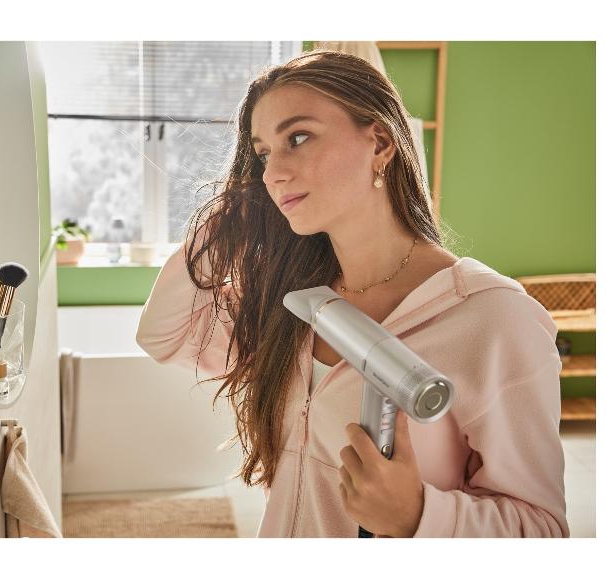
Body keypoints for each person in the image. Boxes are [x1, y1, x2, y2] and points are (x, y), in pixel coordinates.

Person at [136, 50, 568, 538]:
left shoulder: (493, 318)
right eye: (262, 154)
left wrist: (419, 516)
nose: (271, 174)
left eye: (297, 138)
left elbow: (542, 529)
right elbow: (161, 337)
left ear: (380, 142)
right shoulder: (294, 300)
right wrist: (223, 229)